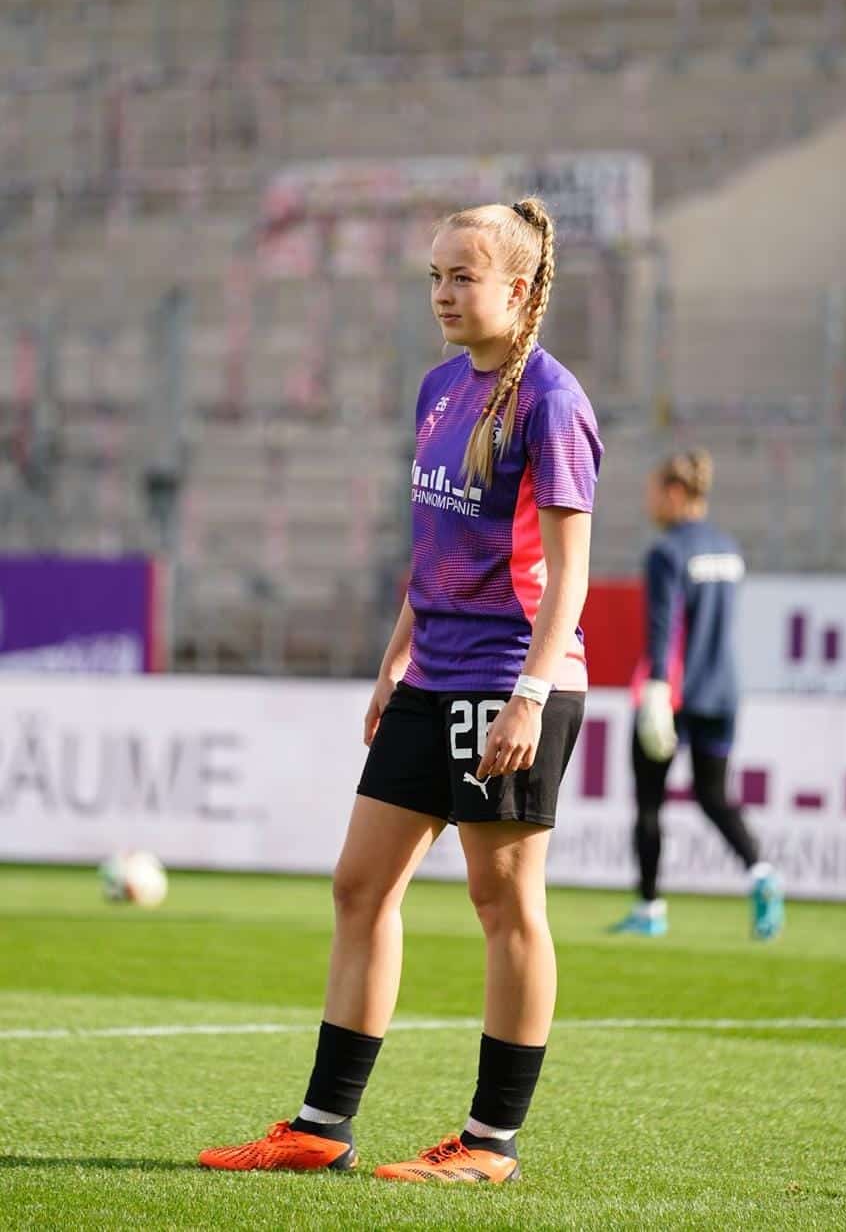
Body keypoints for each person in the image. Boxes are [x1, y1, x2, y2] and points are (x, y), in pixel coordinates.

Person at [198, 196, 602, 1183]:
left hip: (510, 679)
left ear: (520, 287)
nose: (443, 294)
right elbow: (436, 550)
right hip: (432, 675)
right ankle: (320, 1127)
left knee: (503, 903)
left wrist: (529, 696)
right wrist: (393, 661)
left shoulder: (552, 401)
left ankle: (490, 1144)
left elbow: (571, 577)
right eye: (435, 276)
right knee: (360, 885)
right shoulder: (438, 389)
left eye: (463, 276)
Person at [610, 449, 784, 941]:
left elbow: (663, 628)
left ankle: (649, 908)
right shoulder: (729, 550)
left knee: (649, 803)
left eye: (652, 493)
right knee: (714, 796)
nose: (648, 503)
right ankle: (761, 871)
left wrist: (657, 688)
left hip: (674, 692)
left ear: (674, 493)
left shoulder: (667, 552)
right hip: (723, 690)